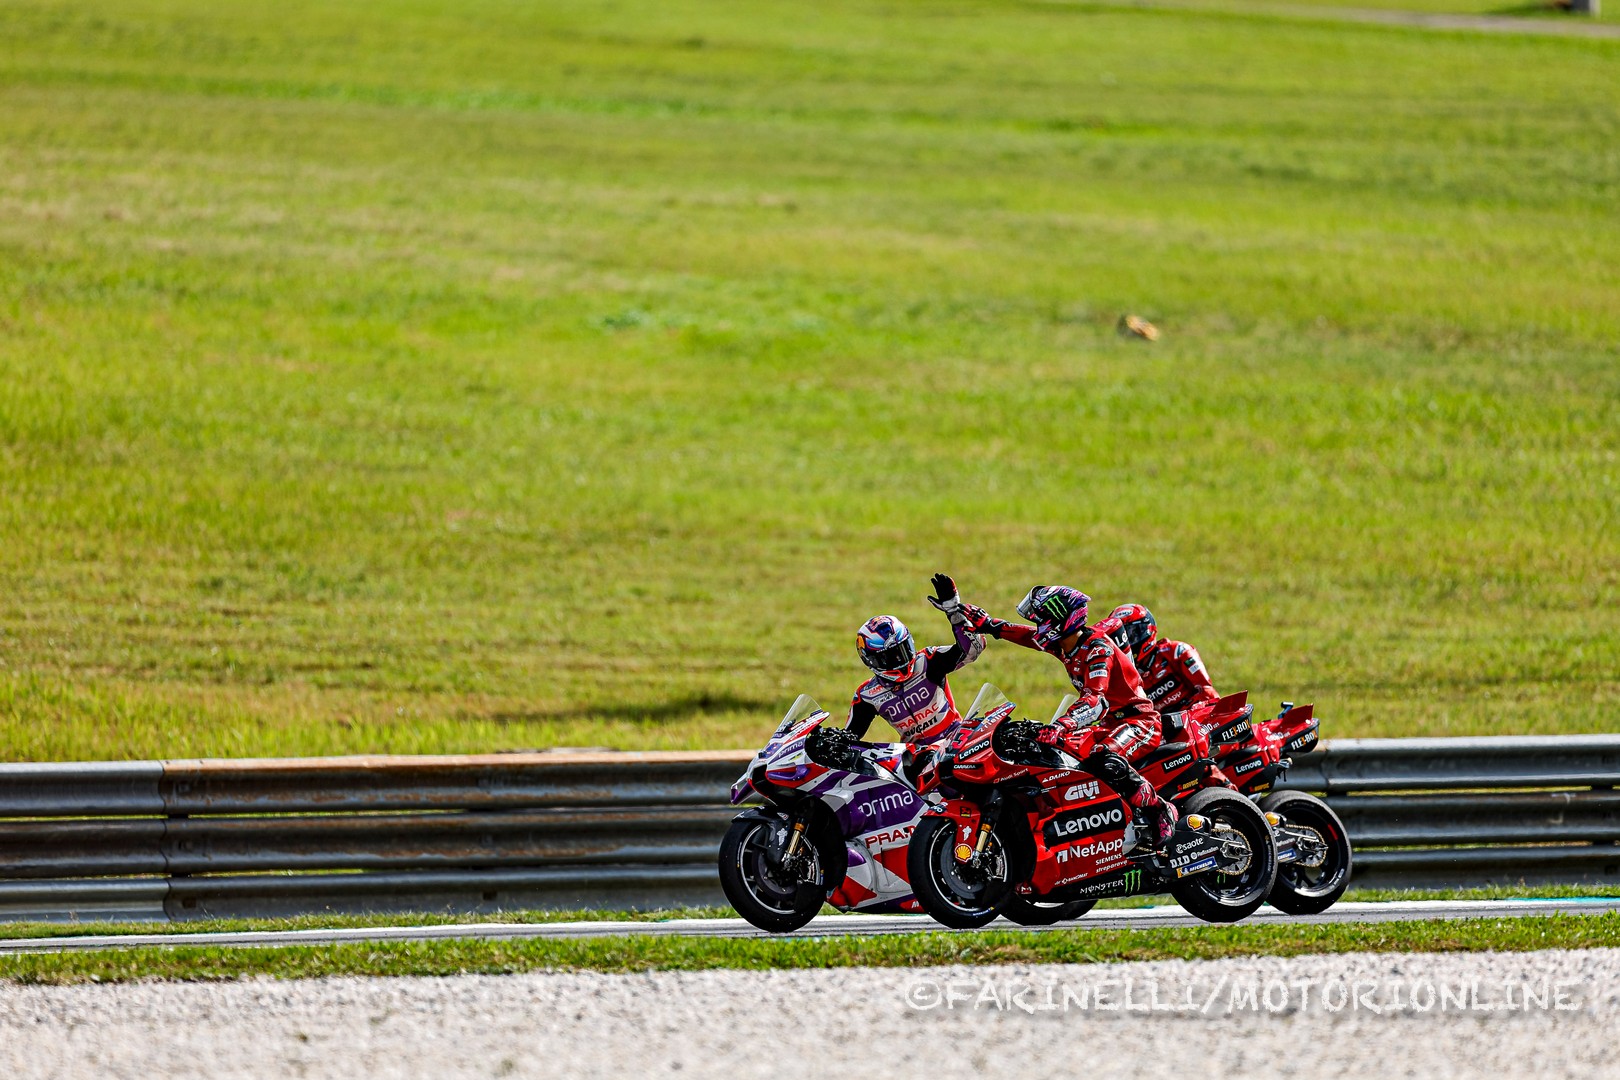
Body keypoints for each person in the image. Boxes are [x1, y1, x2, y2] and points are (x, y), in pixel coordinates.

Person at [960, 585, 1179, 849]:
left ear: (1061, 619)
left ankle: (1160, 810)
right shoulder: (1066, 644)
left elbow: (1095, 699)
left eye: (1042, 619)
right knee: (1056, 755)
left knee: (1104, 758)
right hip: (1108, 723)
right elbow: (1029, 637)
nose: (1038, 625)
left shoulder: (1098, 649)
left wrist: (1064, 724)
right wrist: (990, 625)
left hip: (1139, 721)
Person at [844, 573, 985, 744]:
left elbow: (973, 649)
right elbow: (849, 737)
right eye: (889, 657)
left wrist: (954, 611)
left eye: (902, 649)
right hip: (915, 763)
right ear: (870, 660)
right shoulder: (867, 695)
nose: (900, 660)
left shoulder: (928, 660)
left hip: (956, 746)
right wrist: (829, 740)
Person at [1096, 603, 1218, 714]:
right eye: (1123, 636)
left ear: (1149, 629)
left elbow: (1208, 693)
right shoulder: (1119, 676)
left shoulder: (1177, 651)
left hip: (1197, 721)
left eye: (1133, 634)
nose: (1127, 641)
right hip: (1160, 732)